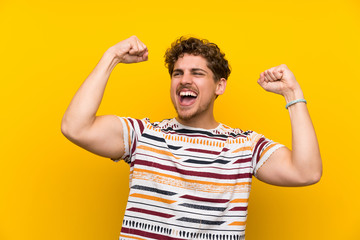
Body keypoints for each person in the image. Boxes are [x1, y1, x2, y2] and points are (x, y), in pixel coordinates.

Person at [61, 35, 322, 240]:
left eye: (197, 73)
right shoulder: (143, 135)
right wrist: (112, 56)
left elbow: (306, 172)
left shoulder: (244, 145)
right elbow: (76, 127)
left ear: (220, 85)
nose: (184, 80)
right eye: (178, 73)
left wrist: (291, 93)